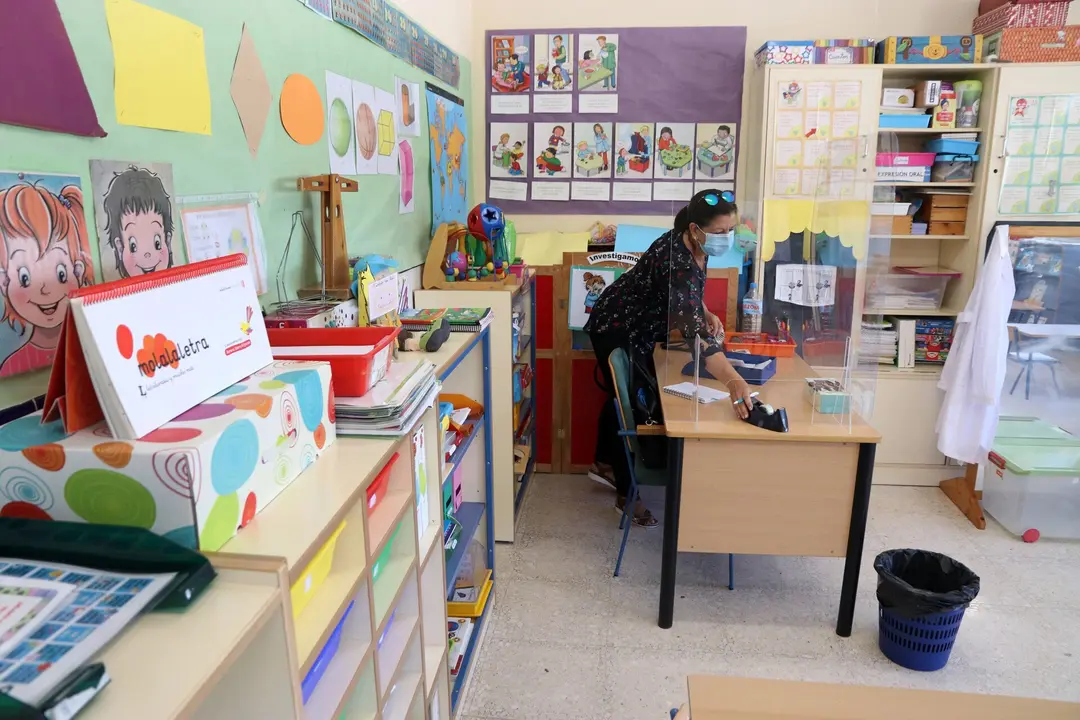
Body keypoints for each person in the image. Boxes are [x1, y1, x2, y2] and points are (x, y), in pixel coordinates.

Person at [583, 190, 753, 527]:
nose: (727, 238)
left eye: (730, 229)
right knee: (628, 404)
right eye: (720, 232)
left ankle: (603, 462)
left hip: (641, 329)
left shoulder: (694, 243)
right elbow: (697, 338)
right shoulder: (674, 255)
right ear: (694, 229)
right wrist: (734, 379)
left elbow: (686, 292)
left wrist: (702, 310)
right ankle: (626, 493)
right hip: (616, 325)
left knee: (622, 396)